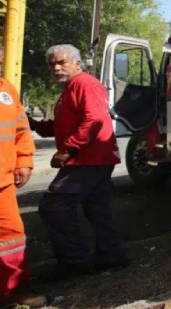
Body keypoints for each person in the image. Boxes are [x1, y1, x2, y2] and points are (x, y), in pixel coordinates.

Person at [28, 44, 127, 277]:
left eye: (62, 62)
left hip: (88, 159)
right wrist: (35, 125)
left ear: (77, 63)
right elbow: (64, 124)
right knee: (97, 208)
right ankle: (111, 256)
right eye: (52, 64)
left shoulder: (84, 83)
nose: (56, 67)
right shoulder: (71, 88)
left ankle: (75, 262)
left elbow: (94, 121)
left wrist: (66, 151)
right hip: (92, 159)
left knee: (54, 207)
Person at [0, 46, 45, 309]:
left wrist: (25, 162)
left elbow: (21, 131)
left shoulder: (7, 90)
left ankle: (13, 291)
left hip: (3, 183)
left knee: (12, 237)